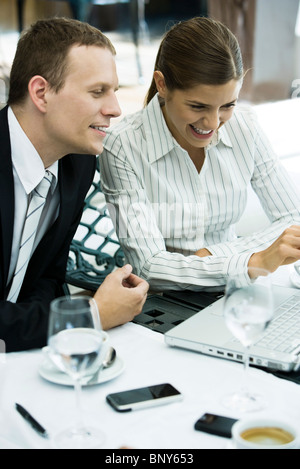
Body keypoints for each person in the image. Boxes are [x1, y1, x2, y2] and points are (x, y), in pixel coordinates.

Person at [100, 16, 300, 292]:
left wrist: (215, 255)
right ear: (162, 84)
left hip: (238, 290)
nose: (213, 124)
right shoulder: (122, 145)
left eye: (227, 105)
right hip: (162, 300)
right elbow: (149, 267)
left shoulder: (246, 127)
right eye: (198, 107)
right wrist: (254, 261)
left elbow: (293, 218)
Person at [0, 17, 149, 352]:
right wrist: (90, 315)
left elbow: (47, 278)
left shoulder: (77, 163)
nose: (114, 109)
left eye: (114, 91)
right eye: (97, 92)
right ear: (41, 93)